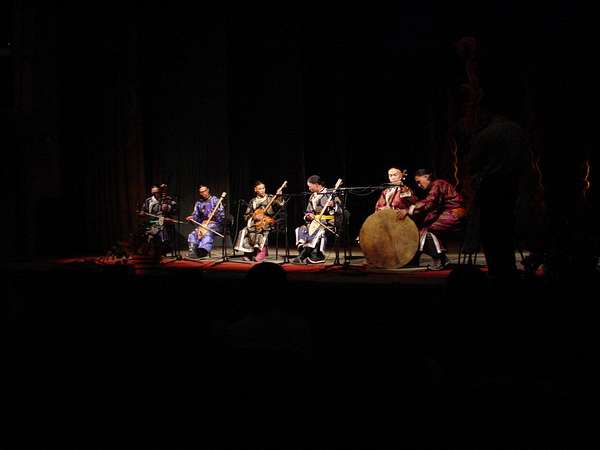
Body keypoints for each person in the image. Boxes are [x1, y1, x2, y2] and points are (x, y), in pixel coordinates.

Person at [408, 169, 466, 270]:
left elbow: (430, 202)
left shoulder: (438, 183)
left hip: (455, 213)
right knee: (422, 230)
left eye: (418, 181)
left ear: (426, 177)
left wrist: (411, 208)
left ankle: (440, 260)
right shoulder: (436, 186)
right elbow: (431, 206)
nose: (418, 185)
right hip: (450, 213)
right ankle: (441, 259)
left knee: (427, 229)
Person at [293, 175, 343, 264]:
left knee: (318, 231)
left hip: (327, 223)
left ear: (316, 185)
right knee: (301, 229)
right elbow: (308, 211)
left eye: (310, 186)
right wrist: (309, 216)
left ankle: (303, 256)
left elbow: (341, 210)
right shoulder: (312, 196)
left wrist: (333, 205)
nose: (308, 188)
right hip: (315, 222)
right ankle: (313, 255)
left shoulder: (330, 194)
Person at [234, 181, 285, 262]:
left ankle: (261, 252)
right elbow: (247, 215)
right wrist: (254, 216)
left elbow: (280, 205)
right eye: (260, 189)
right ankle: (248, 253)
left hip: (268, 221)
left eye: (263, 188)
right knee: (244, 230)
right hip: (256, 221)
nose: (262, 190)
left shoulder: (270, 198)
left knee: (260, 229)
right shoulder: (253, 201)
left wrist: (279, 196)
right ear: (255, 190)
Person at [185, 185, 224, 258]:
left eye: (205, 191)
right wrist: (192, 217)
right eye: (201, 192)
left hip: (216, 224)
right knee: (194, 233)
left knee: (207, 232)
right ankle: (192, 251)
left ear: (208, 190)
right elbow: (197, 216)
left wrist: (215, 215)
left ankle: (202, 252)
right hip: (204, 224)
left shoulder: (216, 200)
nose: (204, 193)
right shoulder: (199, 203)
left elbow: (222, 216)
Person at [139, 184, 177, 255]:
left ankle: (162, 247)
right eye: (153, 193)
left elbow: (175, 210)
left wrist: (168, 207)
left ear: (160, 192)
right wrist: (142, 213)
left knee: (161, 226)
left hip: (165, 222)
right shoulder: (148, 201)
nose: (155, 194)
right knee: (144, 229)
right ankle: (150, 248)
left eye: (157, 192)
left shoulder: (168, 199)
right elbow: (143, 211)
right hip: (152, 222)